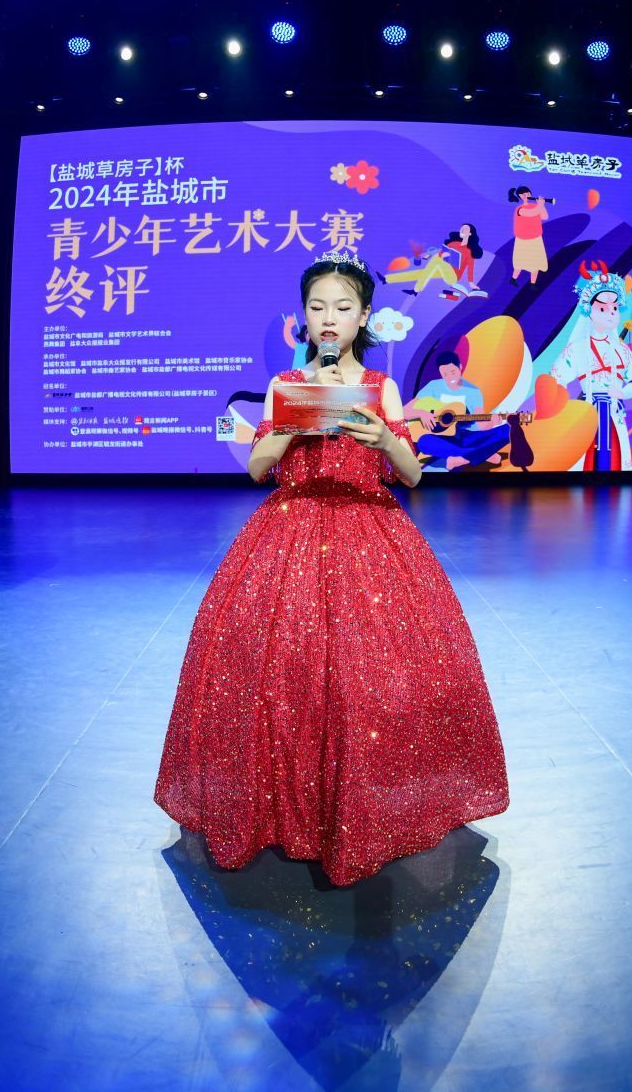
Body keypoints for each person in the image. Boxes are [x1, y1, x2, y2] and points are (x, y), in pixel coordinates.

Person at [155, 250, 510, 886]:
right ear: (304, 316)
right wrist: (294, 423)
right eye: (317, 306)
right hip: (287, 534)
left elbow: (413, 475)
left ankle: (370, 807)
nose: (328, 318)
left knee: (372, 674)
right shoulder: (284, 385)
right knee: (278, 672)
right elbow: (257, 468)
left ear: (363, 316)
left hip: (370, 534)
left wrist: (385, 439)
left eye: (342, 307)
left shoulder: (381, 388)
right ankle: (283, 808)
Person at [549, 260, 632, 471]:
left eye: (614, 308)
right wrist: (564, 406)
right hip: (586, 414)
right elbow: (556, 378)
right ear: (589, 311)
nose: (610, 313)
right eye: (603, 308)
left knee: (615, 460)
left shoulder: (621, 350)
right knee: (584, 460)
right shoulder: (578, 348)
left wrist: (623, 392)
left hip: (614, 412)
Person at [406, 350, 510, 470]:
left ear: (460, 367)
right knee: (424, 442)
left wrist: (492, 422)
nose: (450, 377)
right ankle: (480, 454)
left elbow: (481, 425)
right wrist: (422, 413)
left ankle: (461, 458)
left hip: (466, 437)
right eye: (445, 374)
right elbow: (404, 411)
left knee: (509, 430)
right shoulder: (433, 387)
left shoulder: (473, 391)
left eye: (453, 372)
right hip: (441, 438)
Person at [508, 187, 549, 284]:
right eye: (523, 194)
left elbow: (545, 217)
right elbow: (532, 213)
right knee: (520, 262)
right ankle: (513, 279)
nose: (526, 195)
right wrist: (540, 205)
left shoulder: (536, 206)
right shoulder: (520, 209)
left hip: (536, 239)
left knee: (535, 263)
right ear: (520, 196)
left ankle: (532, 283)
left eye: (528, 193)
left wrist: (542, 205)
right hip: (523, 240)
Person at [444, 223, 486, 294]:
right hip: (444, 269)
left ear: (470, 234)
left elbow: (470, 268)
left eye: (465, 229)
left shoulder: (469, 251)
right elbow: (441, 254)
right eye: (462, 228)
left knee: (436, 262)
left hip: (453, 276)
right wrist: (443, 254)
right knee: (436, 261)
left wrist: (471, 283)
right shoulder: (453, 244)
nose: (462, 230)